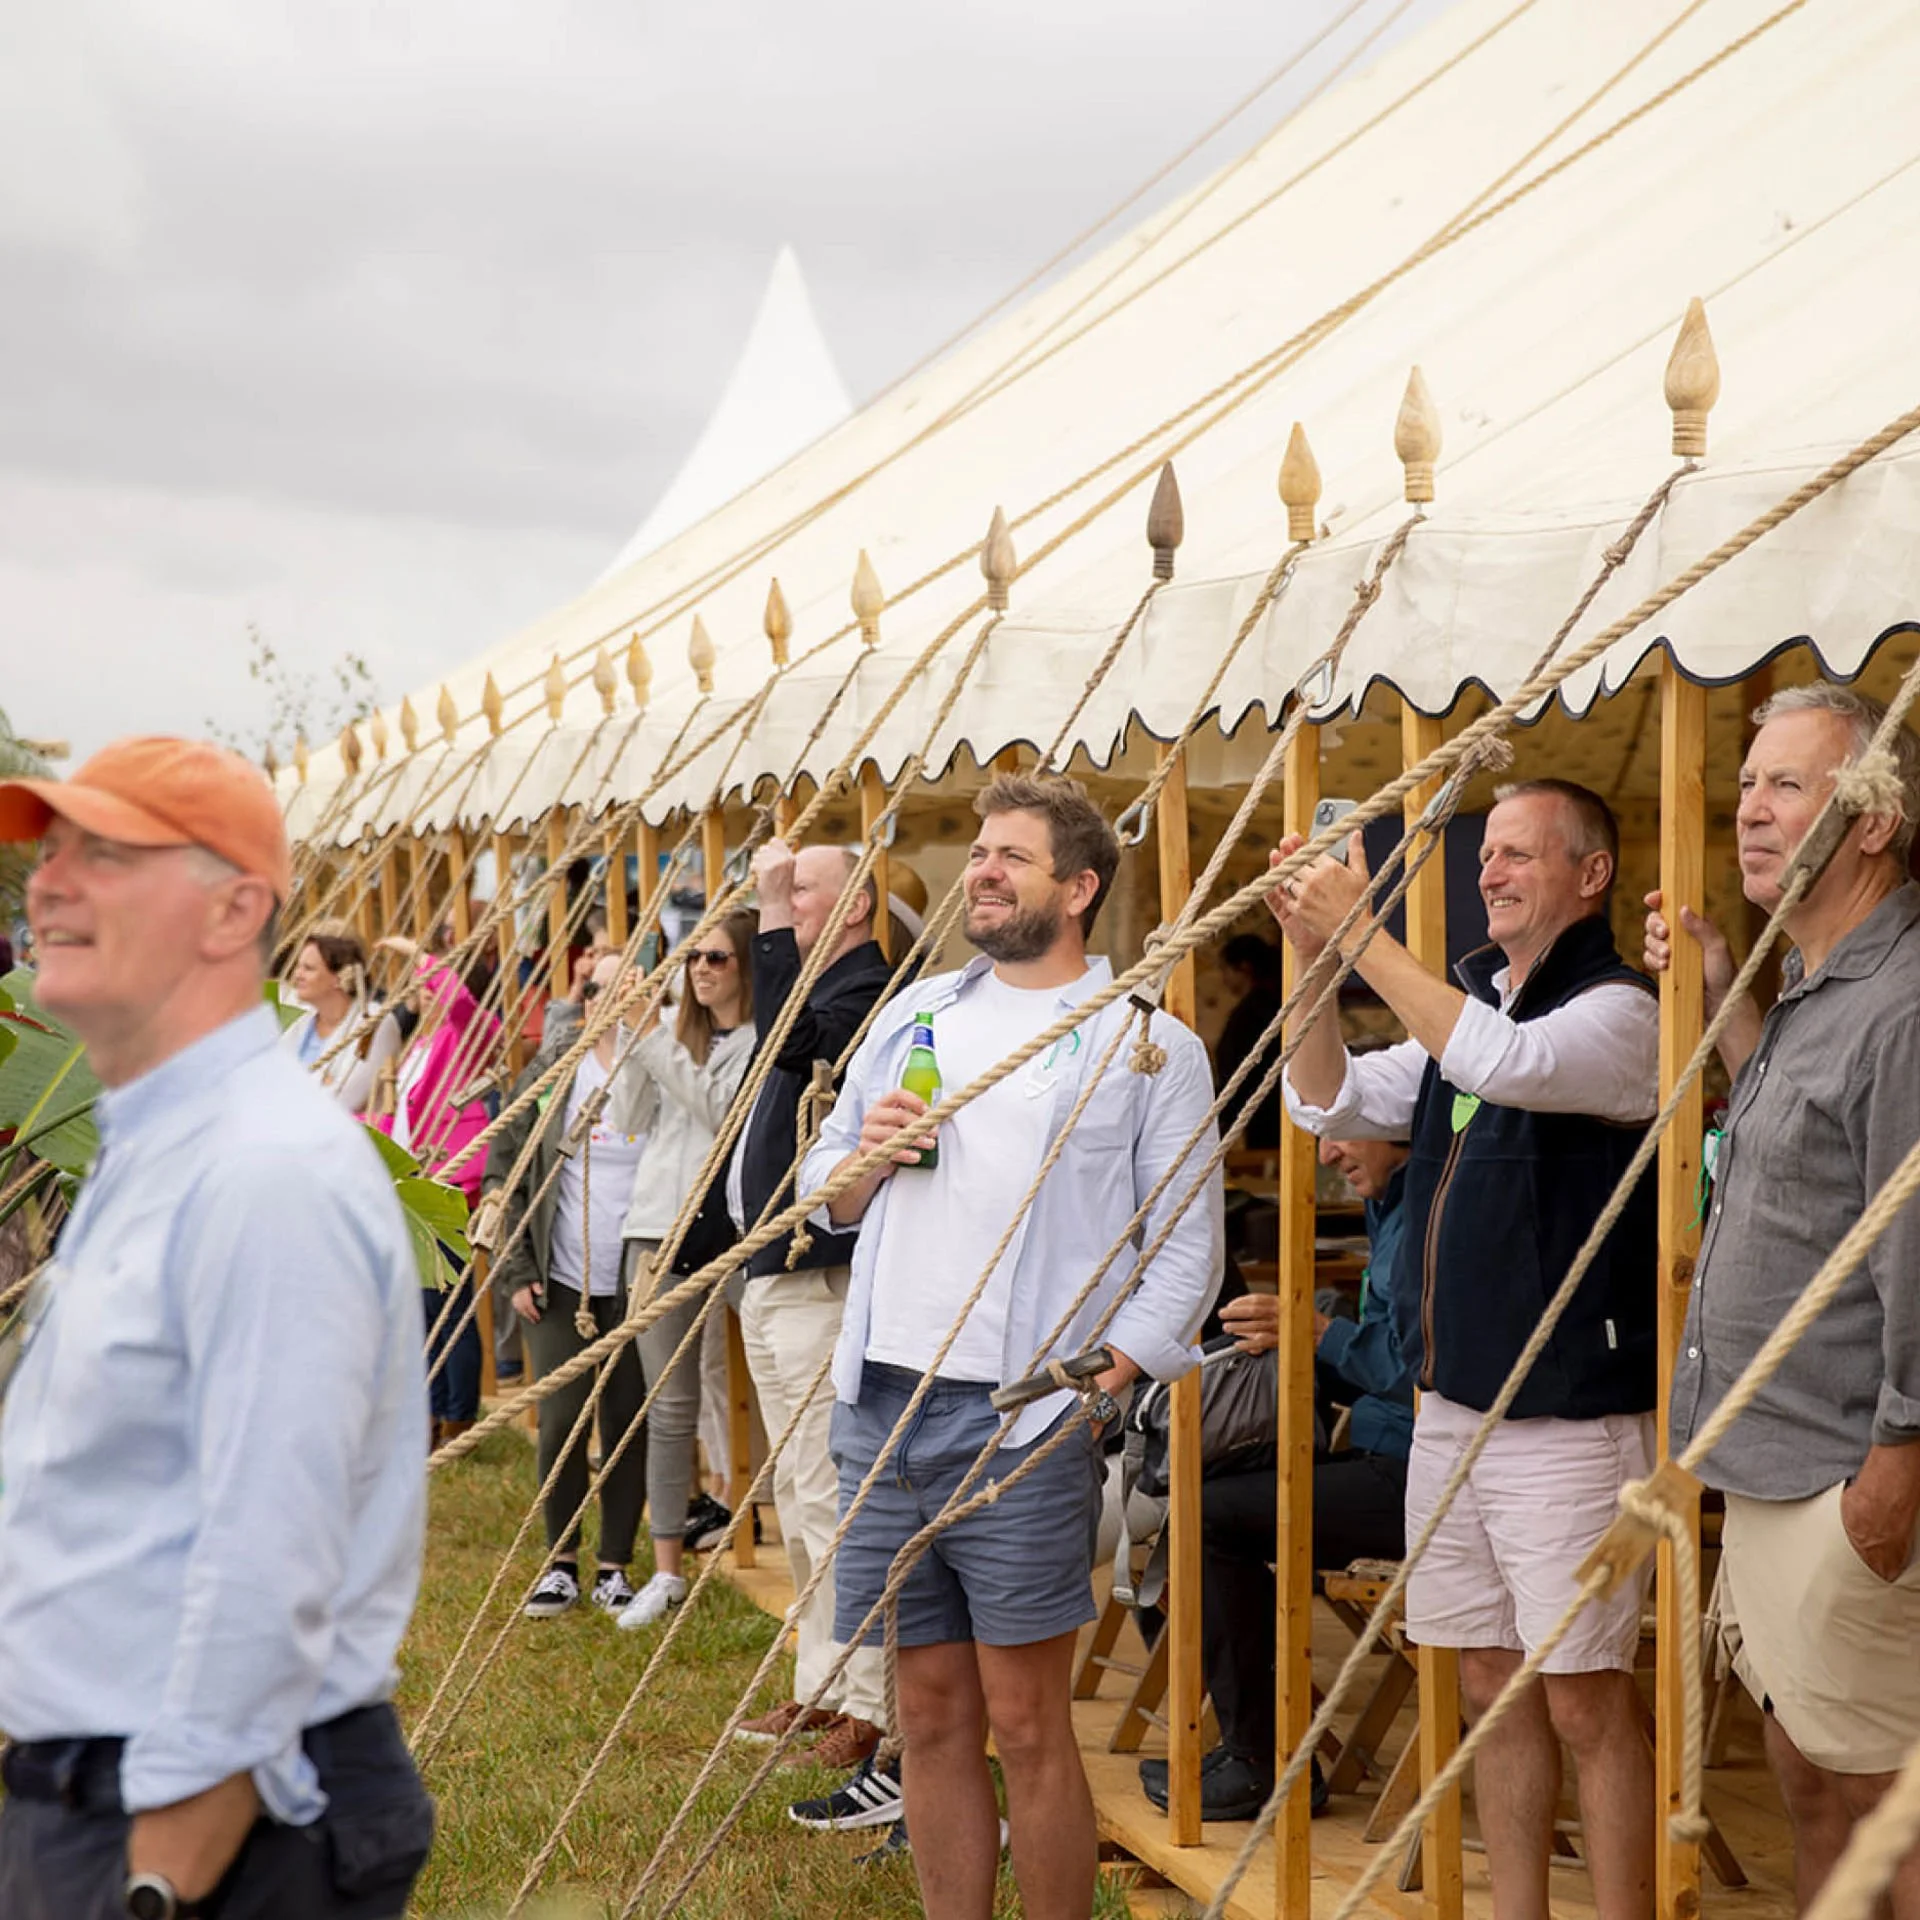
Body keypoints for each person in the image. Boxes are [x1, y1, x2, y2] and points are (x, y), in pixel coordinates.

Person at [0, 736, 432, 1919]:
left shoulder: (264, 1171)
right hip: (103, 1794)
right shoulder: (164, 1144)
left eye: (105, 854)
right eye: (49, 853)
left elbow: (267, 1563)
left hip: (199, 1830)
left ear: (238, 907)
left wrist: (158, 1880)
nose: (47, 883)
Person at [804, 772, 1223, 1920]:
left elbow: (1187, 1251)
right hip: (881, 1401)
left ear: (1080, 888)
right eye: (979, 853)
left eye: (1011, 857)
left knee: (1031, 1723)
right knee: (927, 1712)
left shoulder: (1145, 1042)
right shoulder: (915, 1013)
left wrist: (1098, 1387)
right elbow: (820, 1188)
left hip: (1022, 1418)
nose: (980, 871)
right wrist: (857, 1170)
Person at [1272, 777, 1659, 1920]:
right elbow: (1324, 1098)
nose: (1488, 874)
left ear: (1588, 876)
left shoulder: (1622, 1009)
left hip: (1569, 1421)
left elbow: (1512, 1067)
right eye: (1485, 855)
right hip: (1454, 1413)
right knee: (1490, 1686)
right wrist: (1312, 959)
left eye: (1517, 856)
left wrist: (1364, 937)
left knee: (1588, 1699)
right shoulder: (1472, 1003)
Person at [1650, 683, 1920, 1914]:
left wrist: (1895, 1473)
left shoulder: (1905, 1002)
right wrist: (1725, 990)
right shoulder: (1825, 978)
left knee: (1882, 1811)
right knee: (1810, 1776)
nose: (1748, 810)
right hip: (1778, 1465)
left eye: (1786, 786)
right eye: (1748, 782)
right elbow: (1820, 1149)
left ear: (1873, 820)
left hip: (1847, 1474)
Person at [1139, 1132, 1413, 1822]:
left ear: (1401, 1134)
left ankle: (1261, 1758)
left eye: (1348, 1132)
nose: (1327, 1154)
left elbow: (1424, 1369)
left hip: (1428, 1475)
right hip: (1387, 1459)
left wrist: (1319, 1335)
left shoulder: (1432, 1210)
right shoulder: (1395, 1206)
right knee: (1205, 1494)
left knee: (1206, 1512)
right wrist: (1285, 1343)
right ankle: (1257, 1747)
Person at [724, 840, 899, 1799]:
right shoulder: (819, 983)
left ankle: (871, 1701)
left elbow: (797, 1039)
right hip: (775, 1275)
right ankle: (823, 1682)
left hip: (821, 1278)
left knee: (836, 1496)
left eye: (801, 890)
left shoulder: (867, 990)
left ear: (859, 903)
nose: (781, 903)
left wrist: (767, 918)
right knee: (798, 1494)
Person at [483, 950, 648, 1619]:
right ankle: (560, 1562)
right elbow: (505, 1167)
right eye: (605, 989)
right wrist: (518, 1272)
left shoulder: (656, 1066)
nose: (616, 1000)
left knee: (626, 1422)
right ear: (586, 1002)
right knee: (558, 1424)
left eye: (632, 988)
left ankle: (615, 1566)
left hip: (637, 1280)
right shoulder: (556, 1072)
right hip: (557, 1281)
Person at [609, 909, 757, 1631]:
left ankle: (766, 1520)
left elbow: (723, 1111)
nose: (700, 969)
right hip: (656, 1233)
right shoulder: (673, 1035)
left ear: (747, 967)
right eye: (694, 956)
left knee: (772, 1390)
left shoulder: (763, 1037)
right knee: (668, 1408)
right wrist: (630, 1038)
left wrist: (653, 1041)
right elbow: (629, 1116)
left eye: (718, 958)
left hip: (731, 1232)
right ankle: (666, 1571)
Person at [373, 932, 501, 1447]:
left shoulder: (470, 1034)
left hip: (451, 1183)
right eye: (419, 984)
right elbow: (402, 1115)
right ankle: (429, 1408)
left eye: (431, 981)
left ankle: (457, 1415)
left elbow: (458, 1001)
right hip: (411, 1184)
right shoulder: (422, 1044)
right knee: (421, 1309)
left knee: (451, 1307)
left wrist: (413, 951)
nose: (424, 989)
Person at [282, 917, 401, 1114]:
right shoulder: (301, 1019)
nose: (297, 975)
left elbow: (345, 1099)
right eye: (298, 966)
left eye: (308, 969)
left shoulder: (372, 1021)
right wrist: (323, 1080)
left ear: (339, 979)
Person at [1213, 931, 1286, 1148]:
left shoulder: (1253, 1013)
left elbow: (1242, 1070)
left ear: (1243, 968)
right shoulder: (1269, 1005)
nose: (1223, 978)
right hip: (1266, 1109)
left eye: (1225, 969)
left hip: (1265, 1112)